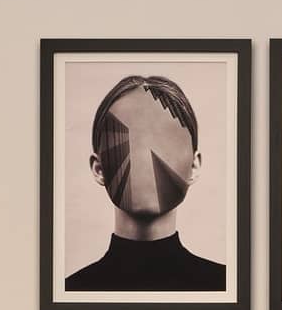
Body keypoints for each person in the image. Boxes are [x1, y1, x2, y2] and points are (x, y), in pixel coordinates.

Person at [64, 75, 224, 292]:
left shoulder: (226, 286)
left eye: (165, 139)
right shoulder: (70, 292)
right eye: (128, 140)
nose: (146, 156)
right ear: (98, 168)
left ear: (194, 166)